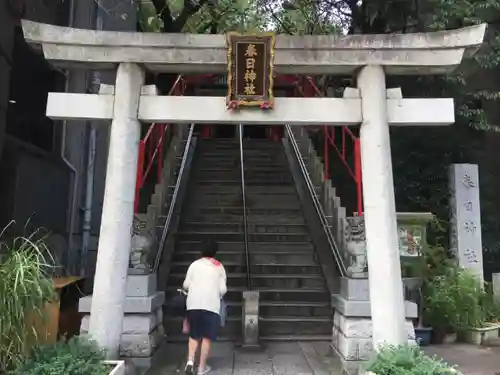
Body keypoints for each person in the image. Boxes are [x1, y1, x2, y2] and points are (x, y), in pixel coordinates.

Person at [183, 240, 227, 375]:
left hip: (193, 304)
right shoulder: (219, 266)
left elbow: (186, 285)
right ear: (215, 252)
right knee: (207, 337)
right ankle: (201, 368)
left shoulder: (194, 265)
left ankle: (190, 361)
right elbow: (222, 290)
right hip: (211, 304)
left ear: (200, 251)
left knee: (194, 334)